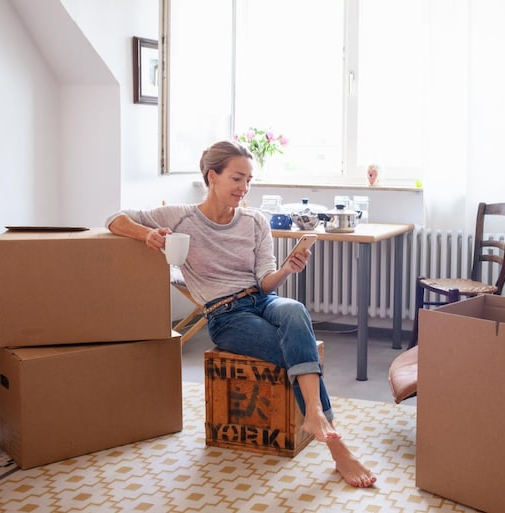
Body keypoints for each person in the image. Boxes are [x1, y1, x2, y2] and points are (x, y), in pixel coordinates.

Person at [105, 140, 376, 488]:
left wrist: (289, 270)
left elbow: (265, 283)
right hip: (225, 316)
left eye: (249, 180)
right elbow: (115, 219)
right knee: (295, 351)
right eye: (236, 179)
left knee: (294, 310)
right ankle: (339, 450)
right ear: (212, 176)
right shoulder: (181, 216)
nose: (244, 188)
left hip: (262, 301)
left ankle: (315, 415)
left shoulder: (255, 221)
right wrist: (148, 235)